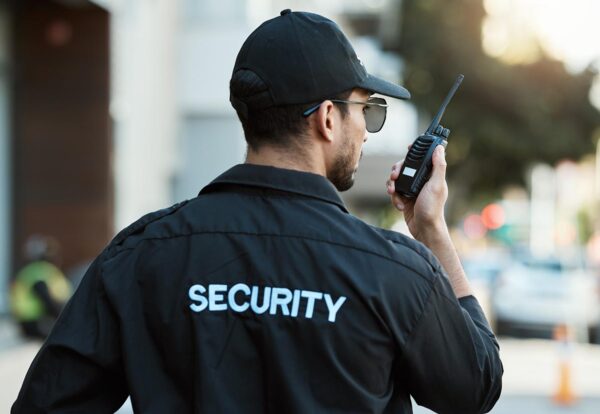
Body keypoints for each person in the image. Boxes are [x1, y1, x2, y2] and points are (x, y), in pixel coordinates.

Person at [13, 9, 502, 414]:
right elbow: (475, 387)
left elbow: (46, 405)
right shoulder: (393, 270)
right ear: (328, 119)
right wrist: (433, 234)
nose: (366, 130)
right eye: (366, 110)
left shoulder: (141, 255)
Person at [9, 235, 72, 340]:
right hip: (38, 321)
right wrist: (64, 320)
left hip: (28, 323)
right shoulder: (40, 272)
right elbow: (46, 299)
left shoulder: (30, 271)